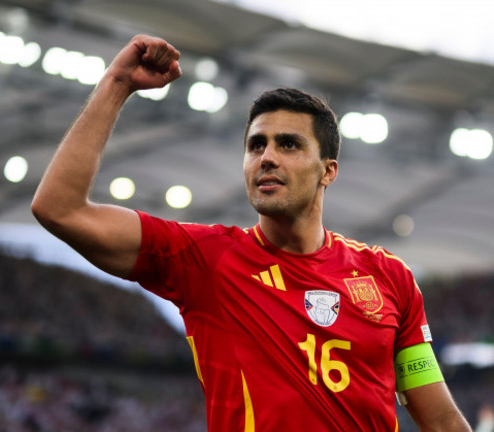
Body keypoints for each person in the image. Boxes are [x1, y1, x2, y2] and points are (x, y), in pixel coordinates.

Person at [31, 34, 471, 431]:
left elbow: (440, 419)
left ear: (328, 171)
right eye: (256, 145)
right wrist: (117, 83)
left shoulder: (388, 278)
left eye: (289, 144)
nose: (266, 157)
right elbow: (60, 209)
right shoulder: (206, 259)